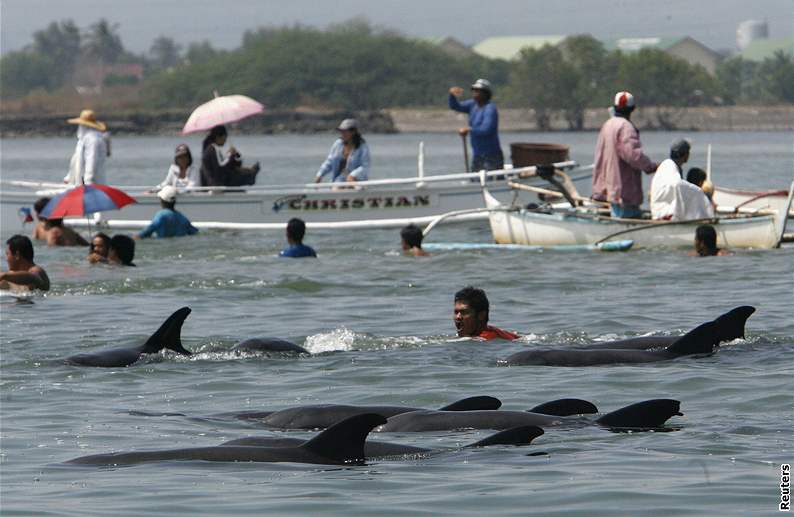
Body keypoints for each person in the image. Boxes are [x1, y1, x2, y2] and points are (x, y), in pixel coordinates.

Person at [592, 91, 658, 218]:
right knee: (627, 217)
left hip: (610, 188)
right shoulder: (626, 127)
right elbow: (632, 155)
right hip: (623, 190)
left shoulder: (608, 125)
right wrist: (651, 166)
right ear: (632, 109)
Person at [650, 140, 713, 221]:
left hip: (660, 211)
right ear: (685, 154)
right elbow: (677, 184)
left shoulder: (671, 167)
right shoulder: (669, 166)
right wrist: (698, 192)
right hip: (663, 213)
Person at [448, 79, 503, 171]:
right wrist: (452, 95)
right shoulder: (472, 105)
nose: (474, 92)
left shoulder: (490, 109)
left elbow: (487, 129)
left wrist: (469, 130)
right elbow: (455, 106)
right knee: (475, 180)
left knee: (490, 182)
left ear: (485, 93)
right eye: (473, 90)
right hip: (477, 154)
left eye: (478, 90)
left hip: (491, 155)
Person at [315, 119, 371, 183]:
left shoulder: (362, 146)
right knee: (337, 187)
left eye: (345, 131)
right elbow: (329, 162)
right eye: (341, 131)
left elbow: (365, 166)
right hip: (339, 180)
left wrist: (352, 175)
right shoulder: (338, 144)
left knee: (353, 185)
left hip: (357, 180)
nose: (342, 133)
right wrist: (320, 175)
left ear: (353, 132)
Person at [453, 286, 518, 341]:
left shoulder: (486, 338)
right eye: (456, 312)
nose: (458, 317)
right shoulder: (492, 331)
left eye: (464, 312)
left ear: (481, 315)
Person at [63, 109, 108, 186]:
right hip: (80, 183)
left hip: (92, 184)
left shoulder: (93, 140)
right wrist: (69, 177)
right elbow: (76, 159)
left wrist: (88, 182)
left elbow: (92, 160)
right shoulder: (83, 140)